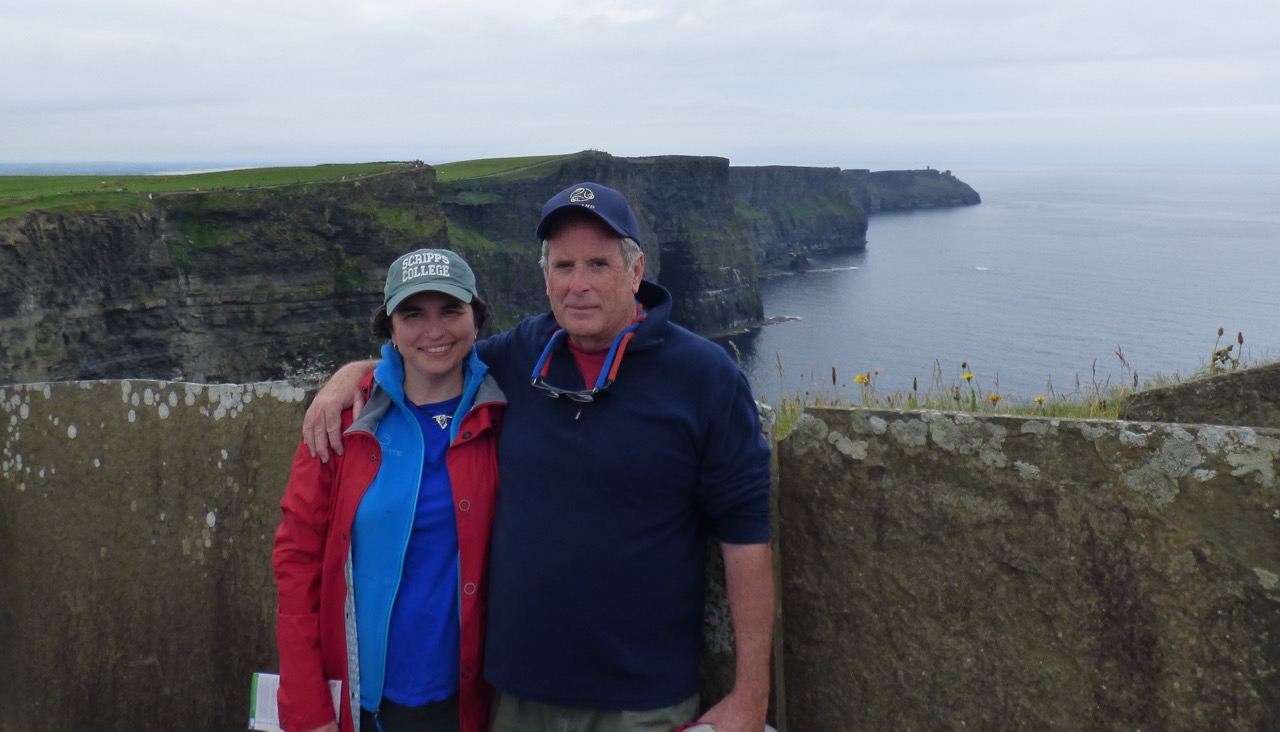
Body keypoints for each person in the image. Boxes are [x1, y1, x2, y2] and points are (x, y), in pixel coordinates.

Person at [304, 182, 775, 732]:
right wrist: (354, 374)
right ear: (545, 276)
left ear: (636, 270)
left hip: (643, 699)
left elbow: (747, 536)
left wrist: (751, 697)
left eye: (598, 265)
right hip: (516, 694)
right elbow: (433, 353)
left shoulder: (706, 377)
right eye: (563, 266)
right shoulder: (519, 354)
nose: (579, 285)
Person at [274, 248, 505, 732]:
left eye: (451, 310)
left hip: (469, 700)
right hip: (362, 701)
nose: (434, 330)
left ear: (476, 320)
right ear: (392, 330)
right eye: (413, 314)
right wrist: (308, 708)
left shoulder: (505, 416)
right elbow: (297, 564)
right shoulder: (340, 424)